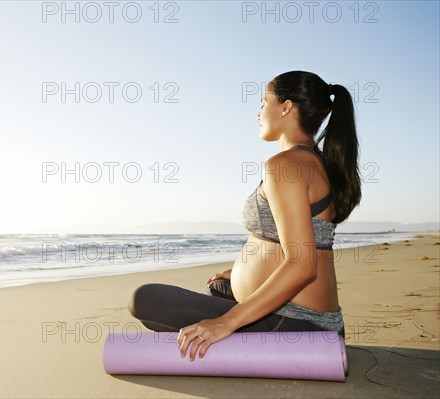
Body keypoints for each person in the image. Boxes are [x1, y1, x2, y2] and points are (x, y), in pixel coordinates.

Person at [127, 71, 362, 362]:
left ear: (286, 107)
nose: (258, 113)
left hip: (298, 325)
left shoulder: (286, 165)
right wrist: (239, 273)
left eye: (264, 102)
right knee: (219, 285)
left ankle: (237, 326)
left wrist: (225, 323)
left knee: (144, 298)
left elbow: (302, 266)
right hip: (311, 319)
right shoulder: (315, 162)